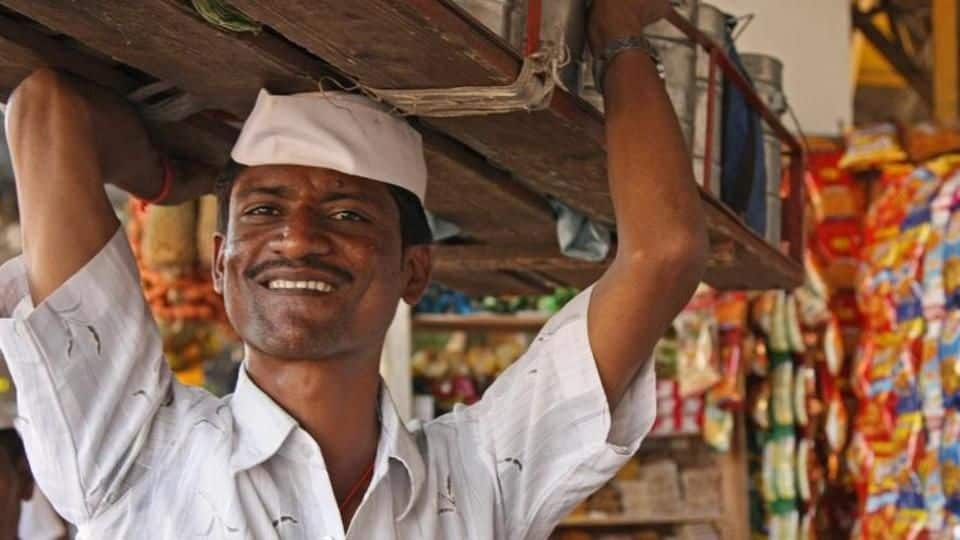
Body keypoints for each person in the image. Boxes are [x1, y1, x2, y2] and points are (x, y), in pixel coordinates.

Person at [0, 0, 706, 538]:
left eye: (348, 217)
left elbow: (662, 254)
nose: (297, 239)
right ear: (220, 264)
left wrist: (618, 37)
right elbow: (43, 110)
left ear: (413, 271)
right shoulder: (129, 453)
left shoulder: (479, 477)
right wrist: (164, 178)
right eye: (261, 212)